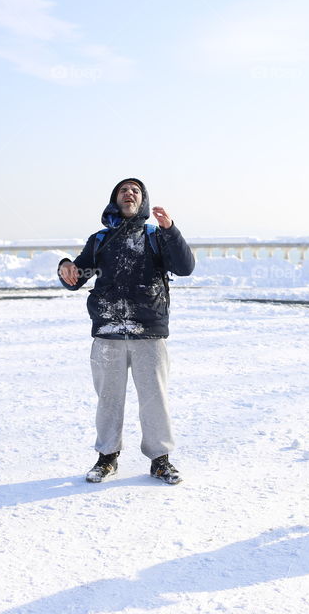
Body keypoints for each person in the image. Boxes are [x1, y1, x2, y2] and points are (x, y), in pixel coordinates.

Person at [58, 178, 195, 485]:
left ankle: (160, 460)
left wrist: (171, 229)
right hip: (107, 331)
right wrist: (66, 266)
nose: (129, 193)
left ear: (142, 201)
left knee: (154, 398)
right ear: (115, 199)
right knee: (108, 398)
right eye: (124, 190)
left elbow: (185, 267)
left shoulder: (155, 236)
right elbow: (77, 276)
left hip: (149, 330)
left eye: (135, 190)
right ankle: (107, 457)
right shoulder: (100, 239)